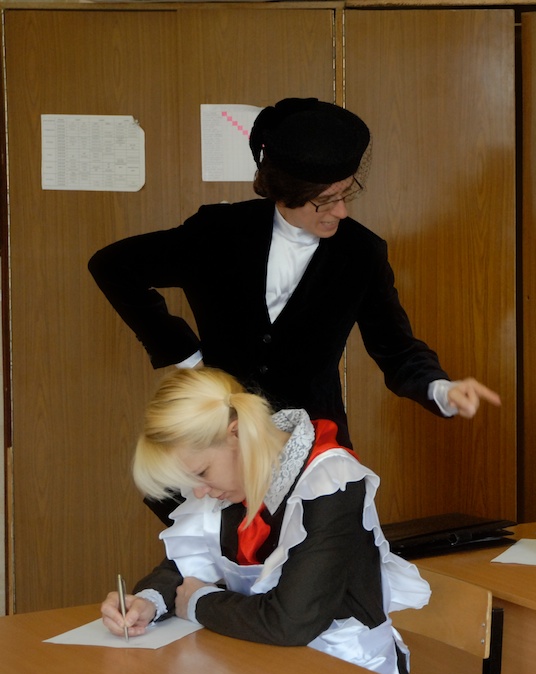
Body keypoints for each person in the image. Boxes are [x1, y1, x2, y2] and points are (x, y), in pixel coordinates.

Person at [88, 96, 498, 451]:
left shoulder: (361, 252)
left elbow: (397, 349)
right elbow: (113, 265)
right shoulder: (217, 233)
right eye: (325, 201)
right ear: (285, 194)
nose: (342, 211)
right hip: (217, 437)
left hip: (314, 442)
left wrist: (441, 389)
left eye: (346, 194)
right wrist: (187, 358)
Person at [100, 367, 431, 674]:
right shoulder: (232, 475)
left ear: (236, 433)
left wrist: (199, 603)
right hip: (267, 672)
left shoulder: (331, 484)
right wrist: (147, 602)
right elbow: (182, 565)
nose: (198, 493)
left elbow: (291, 621)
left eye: (201, 474)